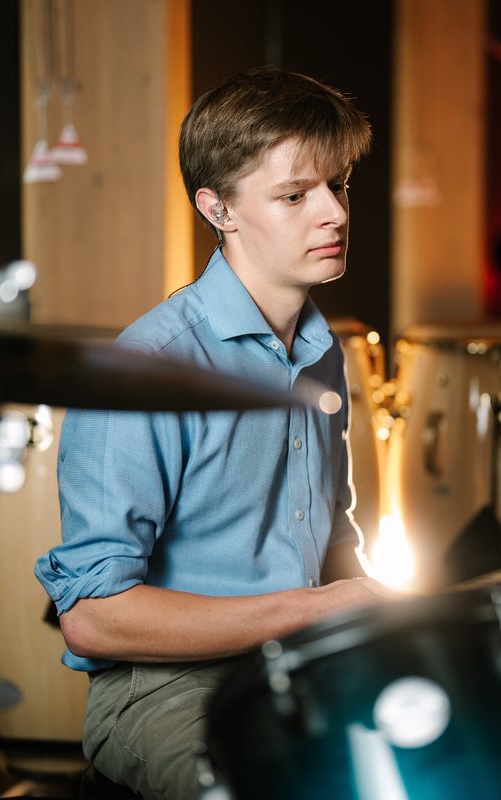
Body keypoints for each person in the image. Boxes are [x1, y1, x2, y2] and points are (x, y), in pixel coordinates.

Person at [34, 67, 394, 800]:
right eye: (295, 195)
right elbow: (93, 620)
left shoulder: (323, 350)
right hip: (168, 691)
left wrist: (378, 604)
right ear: (218, 208)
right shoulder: (146, 369)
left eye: (340, 186)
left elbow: (332, 538)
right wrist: (316, 609)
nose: (333, 214)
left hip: (300, 663)